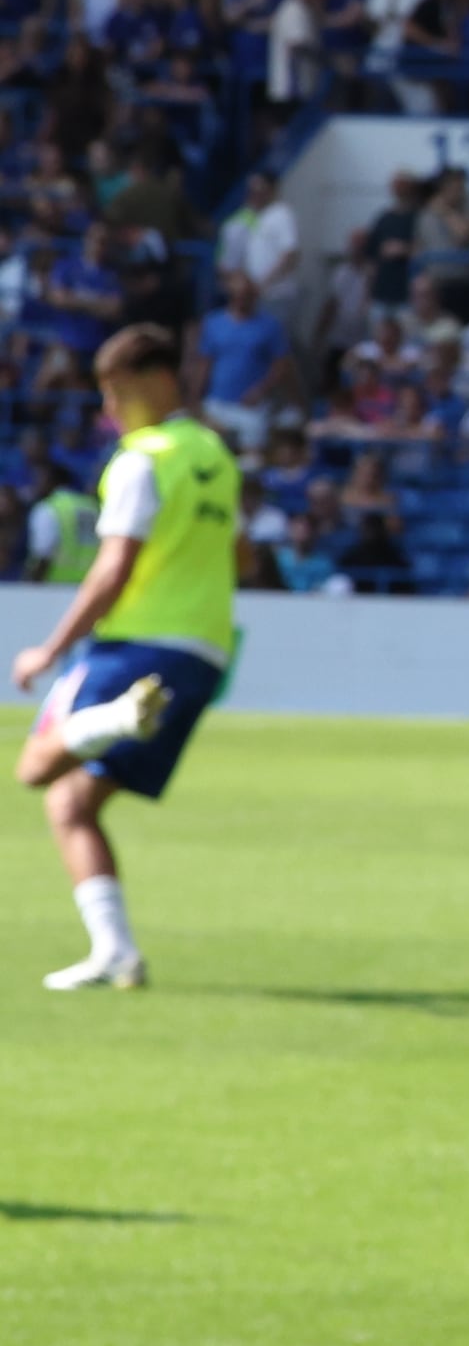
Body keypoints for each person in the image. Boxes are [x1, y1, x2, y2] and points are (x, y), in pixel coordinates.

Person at [11, 323, 241, 992]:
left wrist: (51, 650)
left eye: (114, 394)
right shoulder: (215, 454)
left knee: (35, 767)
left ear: (149, 383)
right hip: (203, 652)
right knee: (72, 803)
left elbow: (114, 568)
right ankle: (115, 951)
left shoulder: (143, 458)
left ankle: (113, 717)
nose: (109, 413)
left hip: (138, 642)